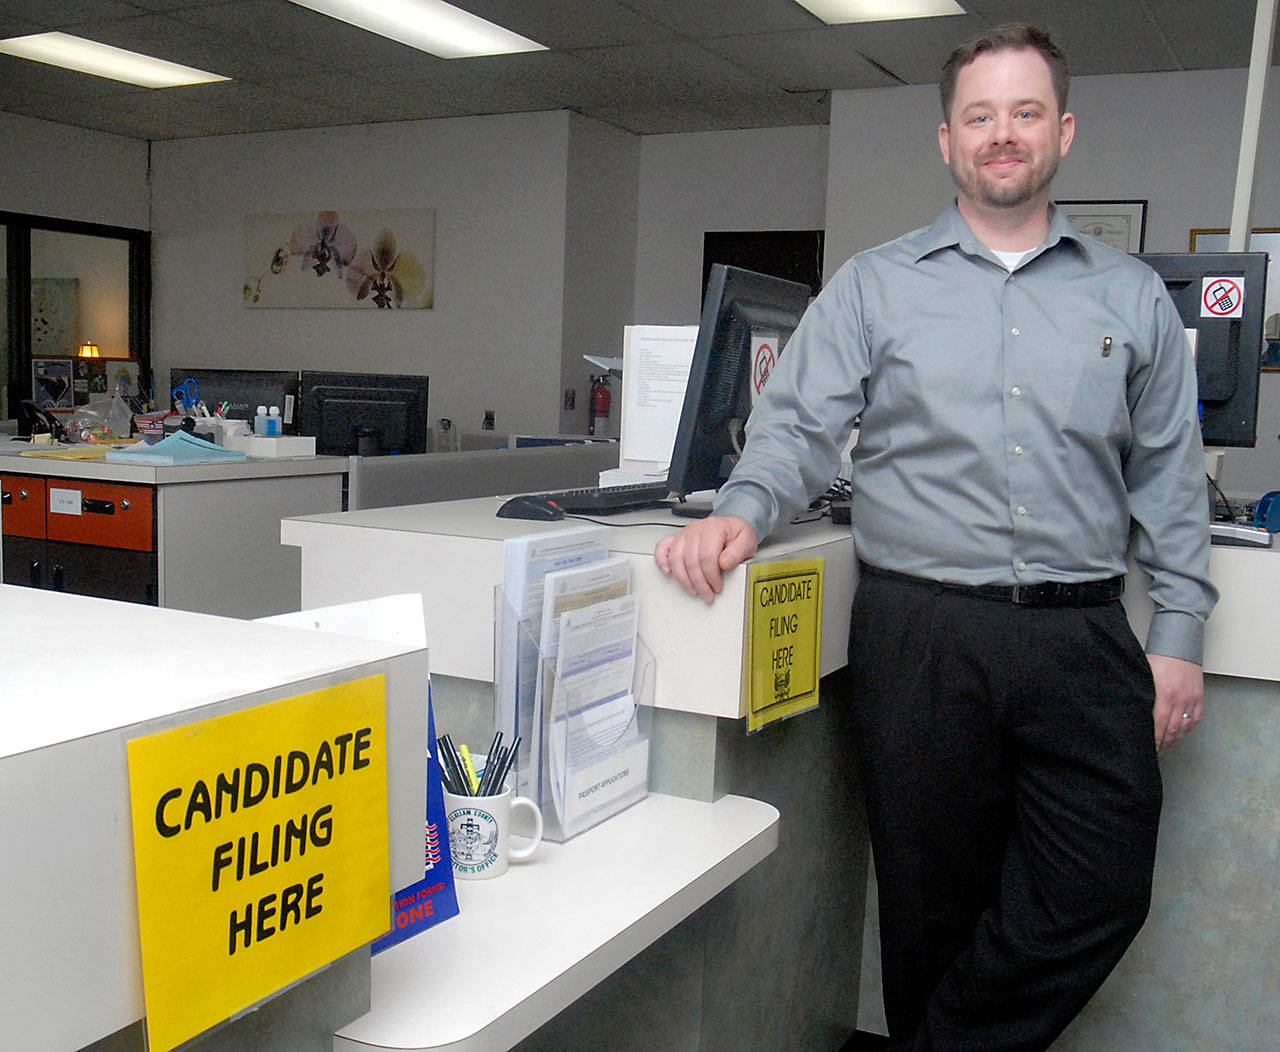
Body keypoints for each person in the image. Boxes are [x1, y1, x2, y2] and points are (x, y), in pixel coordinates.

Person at [654, 22, 1216, 1052]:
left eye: (1024, 112)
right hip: (920, 634)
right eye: (978, 116)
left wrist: (1177, 623)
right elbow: (794, 426)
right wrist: (741, 506)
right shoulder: (874, 286)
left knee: (1099, 885)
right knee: (927, 910)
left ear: (1062, 131)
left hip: (1079, 633)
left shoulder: (1127, 294)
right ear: (946, 141)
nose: (1001, 135)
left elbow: (1167, 474)